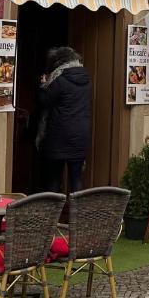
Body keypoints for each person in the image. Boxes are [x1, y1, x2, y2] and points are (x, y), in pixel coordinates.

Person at [36, 47, 92, 193]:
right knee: (76, 179)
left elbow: (45, 101)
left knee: (54, 179)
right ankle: (76, 215)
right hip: (80, 135)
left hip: (59, 136)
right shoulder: (86, 78)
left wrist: (43, 85)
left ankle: (54, 215)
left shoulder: (59, 80)